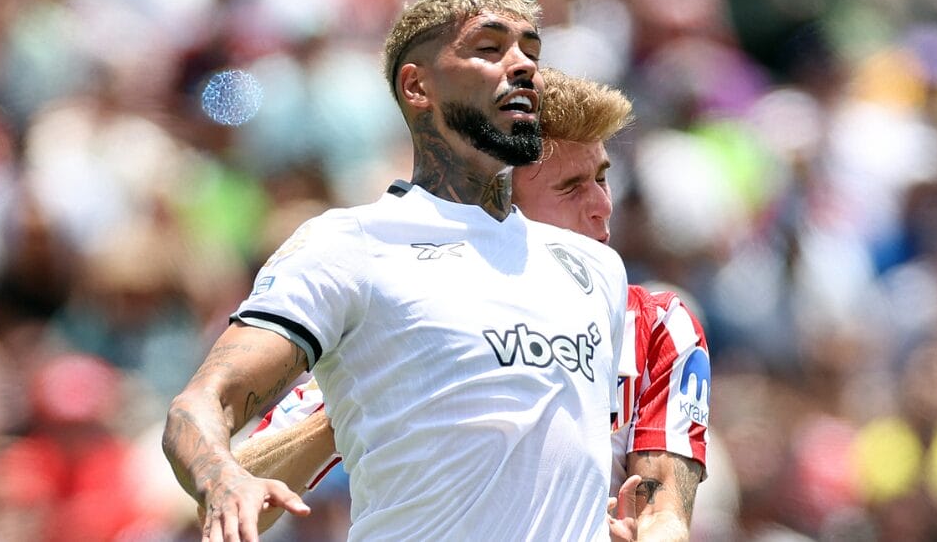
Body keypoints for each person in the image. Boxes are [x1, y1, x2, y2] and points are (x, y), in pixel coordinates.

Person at [163, 0, 631, 542]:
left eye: (531, 52)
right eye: (490, 48)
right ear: (417, 87)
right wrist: (222, 478)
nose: (523, 66)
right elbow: (199, 404)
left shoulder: (596, 270)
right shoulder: (349, 246)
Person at [237, 68, 710, 540]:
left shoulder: (658, 324)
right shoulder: (402, 316)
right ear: (500, 207)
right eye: (571, 187)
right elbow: (232, 500)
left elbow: (664, 512)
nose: (602, 205)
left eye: (601, 178)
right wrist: (364, 405)